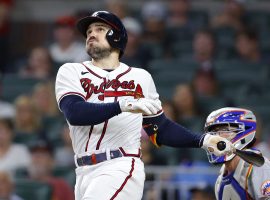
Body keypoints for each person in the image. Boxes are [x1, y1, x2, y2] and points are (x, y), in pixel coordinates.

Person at [55, 10, 233, 200]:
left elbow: (160, 129)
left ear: (117, 37)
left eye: (99, 29)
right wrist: (121, 105)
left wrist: (202, 140)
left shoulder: (140, 77)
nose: (91, 34)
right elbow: (74, 113)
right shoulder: (71, 71)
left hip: (120, 165)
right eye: (89, 31)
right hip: (84, 171)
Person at [203, 107, 270, 199]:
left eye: (224, 130)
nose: (216, 137)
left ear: (244, 131)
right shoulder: (220, 178)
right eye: (213, 132)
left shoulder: (257, 167)